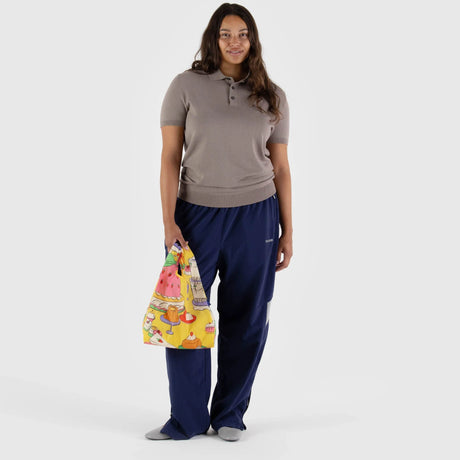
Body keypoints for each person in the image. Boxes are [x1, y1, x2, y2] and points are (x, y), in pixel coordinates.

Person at [145, 3, 293, 442]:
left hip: (257, 215)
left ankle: (229, 413)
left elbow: (282, 168)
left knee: (247, 316)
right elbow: (170, 156)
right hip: (195, 216)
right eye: (226, 34)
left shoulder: (272, 94)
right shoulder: (185, 86)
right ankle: (186, 420)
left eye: (243, 33)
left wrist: (289, 229)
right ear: (214, 38)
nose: (235, 42)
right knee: (185, 313)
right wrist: (169, 220)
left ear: (254, 39)